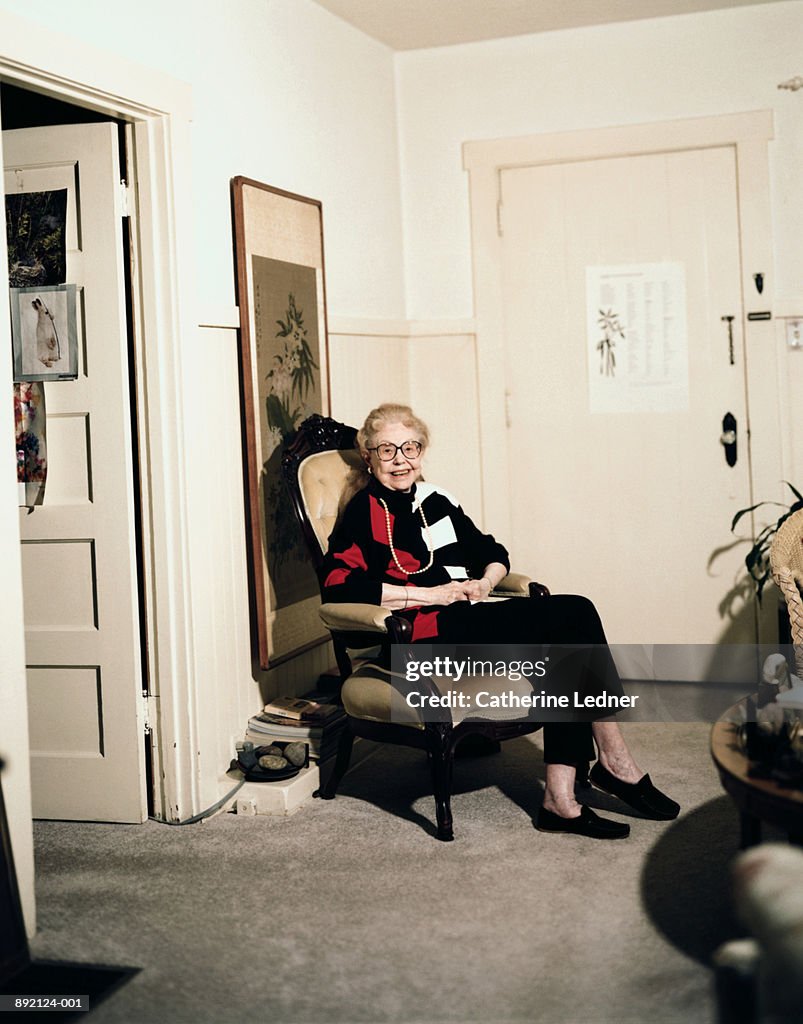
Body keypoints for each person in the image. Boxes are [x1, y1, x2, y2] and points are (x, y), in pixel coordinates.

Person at [319, 403, 679, 839]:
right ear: (370, 455)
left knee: (571, 631)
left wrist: (485, 583)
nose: (400, 459)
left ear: (422, 450)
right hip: (420, 637)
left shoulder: (436, 502)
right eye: (387, 449)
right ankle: (610, 764)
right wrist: (427, 594)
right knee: (574, 615)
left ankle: (565, 797)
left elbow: (492, 551)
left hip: (464, 621)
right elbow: (340, 584)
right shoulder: (364, 511)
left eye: (410, 447)